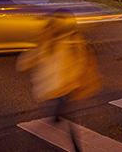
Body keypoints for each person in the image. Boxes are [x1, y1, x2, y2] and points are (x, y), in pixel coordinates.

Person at [17, 10, 101, 152]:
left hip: (66, 87)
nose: (52, 26)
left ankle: (74, 145)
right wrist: (24, 62)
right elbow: (32, 58)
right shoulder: (49, 41)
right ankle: (57, 121)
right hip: (54, 87)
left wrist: (74, 81)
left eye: (55, 24)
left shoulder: (72, 40)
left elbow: (81, 63)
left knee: (66, 118)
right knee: (62, 115)